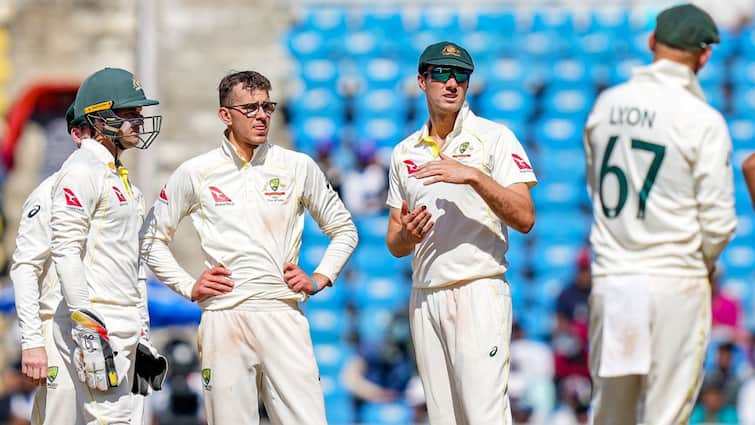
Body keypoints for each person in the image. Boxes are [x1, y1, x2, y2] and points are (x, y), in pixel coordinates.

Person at [140, 70, 358, 425]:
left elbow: (345, 229)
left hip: (281, 311)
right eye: (250, 108)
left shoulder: (296, 166)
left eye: (267, 106)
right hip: (224, 317)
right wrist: (188, 285)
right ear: (225, 115)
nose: (261, 116)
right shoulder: (197, 172)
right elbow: (150, 239)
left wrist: (320, 277)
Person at [582, 4, 737, 424]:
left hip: (615, 280)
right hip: (674, 281)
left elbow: (596, 188)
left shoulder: (606, 105)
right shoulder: (702, 120)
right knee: (664, 415)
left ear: (652, 42)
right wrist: (699, 263)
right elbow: (719, 223)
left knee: (611, 415)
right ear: (704, 57)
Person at [385, 41, 537, 424]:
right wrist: (409, 235)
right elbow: (394, 243)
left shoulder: (494, 138)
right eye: (440, 73)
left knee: (484, 415)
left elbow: (524, 217)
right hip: (425, 295)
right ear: (422, 81)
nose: (451, 83)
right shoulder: (404, 152)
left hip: (477, 287)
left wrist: (473, 176)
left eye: (461, 76)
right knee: (443, 418)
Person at [49, 67, 164, 424]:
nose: (139, 120)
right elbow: (65, 250)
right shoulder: (81, 170)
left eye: (138, 112)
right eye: (128, 113)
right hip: (98, 321)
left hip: (125, 322)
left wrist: (142, 333)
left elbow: (134, 265)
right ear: (99, 118)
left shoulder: (123, 180)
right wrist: (86, 327)